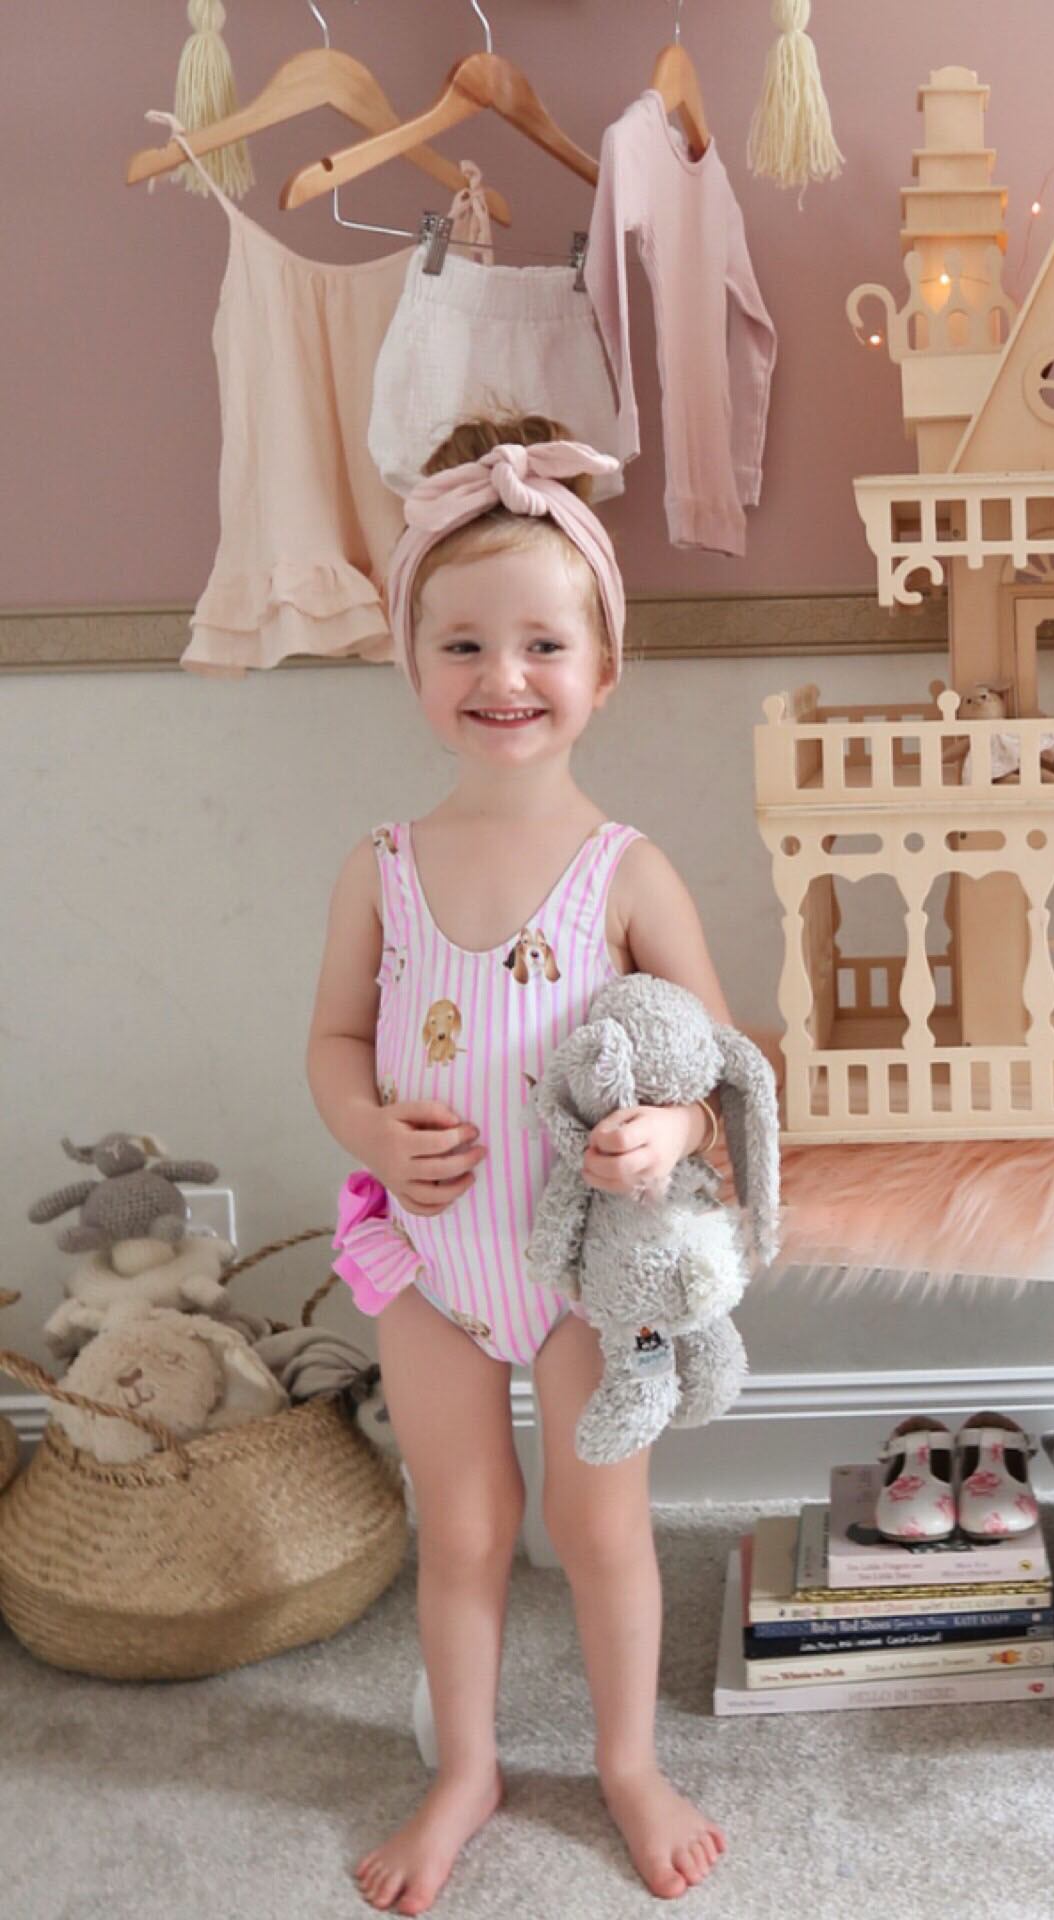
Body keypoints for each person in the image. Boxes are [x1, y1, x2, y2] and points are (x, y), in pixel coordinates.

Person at [307, 416, 729, 1913]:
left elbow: (721, 1067)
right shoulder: (382, 867)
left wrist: (669, 1130)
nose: (505, 676)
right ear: (414, 666)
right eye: (465, 644)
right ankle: (467, 1768)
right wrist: (369, 1130)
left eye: (544, 645)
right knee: (467, 1527)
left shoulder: (627, 871)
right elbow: (334, 1045)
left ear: (604, 670)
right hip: (432, 1263)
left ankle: (628, 1762)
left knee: (598, 1523)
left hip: (585, 1266)